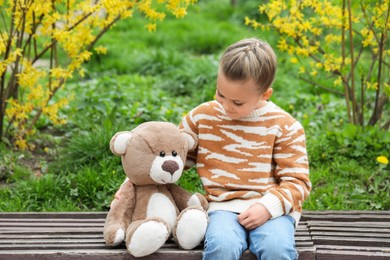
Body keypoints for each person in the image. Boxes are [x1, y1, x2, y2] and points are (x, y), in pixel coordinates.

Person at [113, 38, 311, 260]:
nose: (226, 107)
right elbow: (175, 157)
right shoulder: (202, 118)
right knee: (221, 248)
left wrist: (267, 207)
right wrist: (135, 182)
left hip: (272, 211)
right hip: (222, 208)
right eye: (220, 94)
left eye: (237, 103)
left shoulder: (285, 126)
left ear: (265, 94)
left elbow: (298, 182)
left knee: (276, 249)